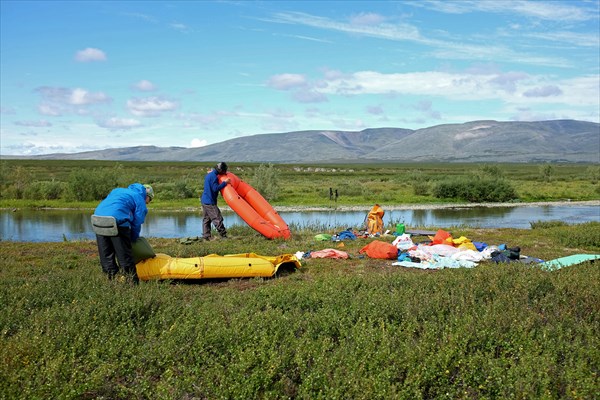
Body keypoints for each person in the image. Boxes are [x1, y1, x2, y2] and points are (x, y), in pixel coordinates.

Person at [93, 183, 154, 283]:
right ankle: (131, 284)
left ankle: (111, 281)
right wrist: (133, 239)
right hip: (117, 222)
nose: (148, 203)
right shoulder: (139, 198)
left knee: (106, 255)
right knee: (124, 256)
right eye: (150, 200)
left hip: (97, 219)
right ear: (147, 196)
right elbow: (137, 222)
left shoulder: (117, 190)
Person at [201, 162, 230, 240]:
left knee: (206, 219)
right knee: (217, 218)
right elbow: (215, 188)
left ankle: (206, 236)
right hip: (210, 202)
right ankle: (223, 235)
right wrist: (225, 183)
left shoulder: (210, 175)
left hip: (204, 200)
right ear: (220, 170)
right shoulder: (214, 177)